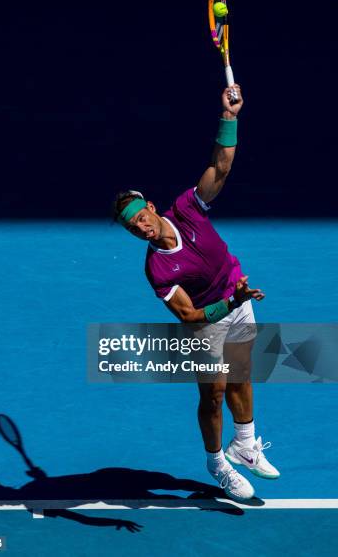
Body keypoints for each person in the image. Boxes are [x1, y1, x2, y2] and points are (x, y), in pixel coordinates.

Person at [113, 85, 280, 501]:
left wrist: (230, 116)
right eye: (133, 229)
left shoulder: (188, 207)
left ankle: (244, 445)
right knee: (214, 392)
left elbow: (220, 168)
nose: (141, 228)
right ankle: (217, 463)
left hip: (235, 294)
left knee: (241, 376)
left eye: (141, 218)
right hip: (210, 317)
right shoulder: (156, 268)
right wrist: (232, 302)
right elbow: (188, 317)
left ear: (151, 206)